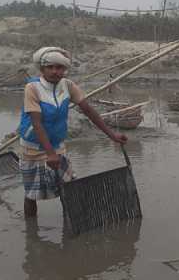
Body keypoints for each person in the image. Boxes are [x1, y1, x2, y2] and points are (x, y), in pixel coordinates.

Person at [18, 47, 128, 218]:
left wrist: (111, 135)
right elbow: (36, 123)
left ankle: (70, 221)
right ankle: (31, 233)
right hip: (33, 146)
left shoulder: (68, 86)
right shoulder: (32, 88)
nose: (55, 71)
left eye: (59, 67)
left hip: (57, 144)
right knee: (32, 193)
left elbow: (88, 110)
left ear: (65, 69)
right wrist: (50, 154)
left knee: (68, 186)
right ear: (42, 69)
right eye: (50, 67)